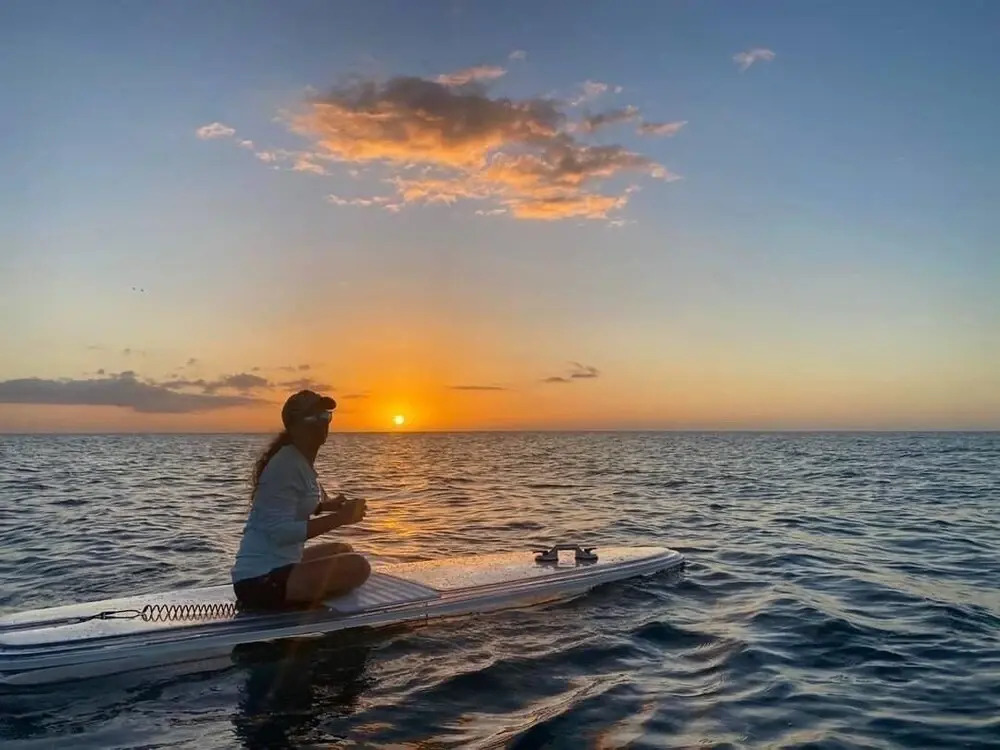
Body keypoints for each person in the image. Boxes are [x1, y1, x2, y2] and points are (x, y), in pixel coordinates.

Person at [231, 390, 371, 610]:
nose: (321, 423)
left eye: (325, 416)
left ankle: (302, 594)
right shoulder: (286, 466)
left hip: (280, 564)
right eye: (312, 418)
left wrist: (327, 506)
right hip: (259, 580)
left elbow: (295, 503)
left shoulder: (298, 461)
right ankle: (294, 604)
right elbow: (281, 533)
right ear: (294, 427)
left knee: (343, 549)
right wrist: (341, 518)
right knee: (358, 567)